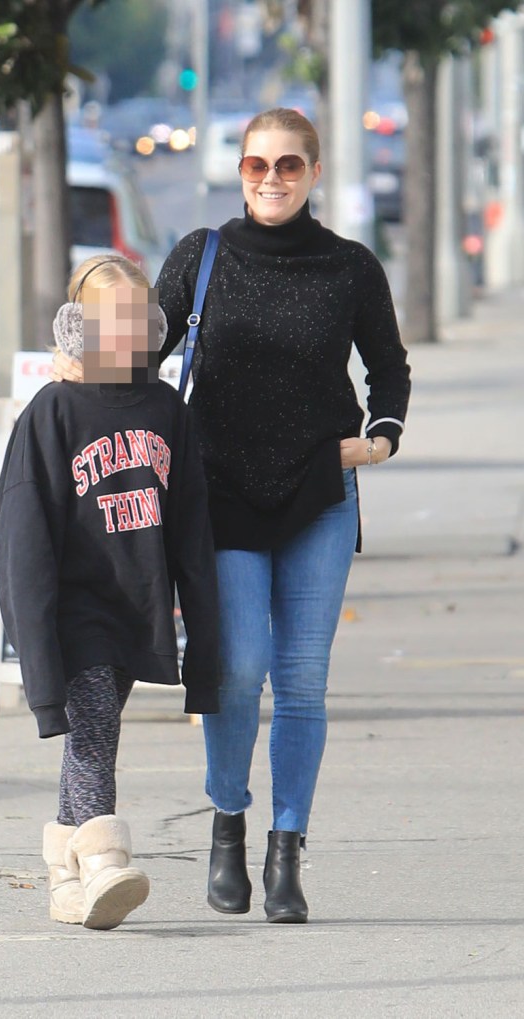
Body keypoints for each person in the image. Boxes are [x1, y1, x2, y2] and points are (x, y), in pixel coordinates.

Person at [154, 108, 411, 923]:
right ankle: (227, 820)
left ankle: (285, 851)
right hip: (220, 492)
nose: (272, 178)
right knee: (235, 668)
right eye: (258, 165)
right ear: (239, 171)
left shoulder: (349, 267)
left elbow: (389, 368)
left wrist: (379, 439)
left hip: (317, 498)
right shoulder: (201, 257)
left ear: (314, 172)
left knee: (301, 681)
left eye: (289, 165)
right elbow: (140, 349)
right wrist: (80, 360)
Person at [0, 255, 220, 931]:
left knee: (97, 727)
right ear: (78, 326)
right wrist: (34, 649)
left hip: (136, 609)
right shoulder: (53, 411)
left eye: (137, 317)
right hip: (74, 609)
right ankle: (105, 860)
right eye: (109, 318)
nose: (126, 330)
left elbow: (190, 524)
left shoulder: (164, 408)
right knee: (94, 733)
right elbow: (22, 538)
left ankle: (65, 873)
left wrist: (204, 637)